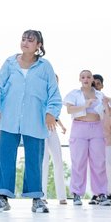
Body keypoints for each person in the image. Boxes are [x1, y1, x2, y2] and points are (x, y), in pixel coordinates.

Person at [0, 30, 62, 214]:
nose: (25, 42)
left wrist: (51, 113)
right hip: (9, 117)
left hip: (35, 119)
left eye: (30, 39)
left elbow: (54, 93)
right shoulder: (10, 63)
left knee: (34, 159)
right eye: (23, 39)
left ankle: (37, 199)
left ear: (39, 45)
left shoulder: (45, 67)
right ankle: (2, 199)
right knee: (5, 157)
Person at [63, 70, 109, 206]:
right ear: (79, 79)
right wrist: (85, 105)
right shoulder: (74, 94)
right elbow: (69, 110)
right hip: (79, 128)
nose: (86, 79)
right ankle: (77, 194)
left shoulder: (100, 95)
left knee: (99, 162)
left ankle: (101, 193)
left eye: (89, 77)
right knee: (78, 162)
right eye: (83, 77)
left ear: (92, 80)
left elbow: (108, 110)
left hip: (96, 128)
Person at [42, 74, 67, 206]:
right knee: (44, 162)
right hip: (40, 130)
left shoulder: (55, 96)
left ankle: (62, 196)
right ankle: (42, 196)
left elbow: (54, 115)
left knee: (58, 160)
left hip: (52, 130)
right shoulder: (42, 93)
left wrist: (61, 126)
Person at [92, 74, 111, 205]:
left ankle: (108, 192)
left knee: (109, 165)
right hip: (93, 138)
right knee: (95, 166)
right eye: (93, 83)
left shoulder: (108, 100)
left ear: (102, 85)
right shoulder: (87, 100)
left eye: (98, 83)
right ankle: (96, 193)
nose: (96, 85)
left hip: (106, 137)